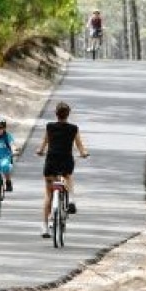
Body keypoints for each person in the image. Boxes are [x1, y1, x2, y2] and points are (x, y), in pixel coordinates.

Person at [35, 101, 89, 238]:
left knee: (48, 195)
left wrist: (40, 151)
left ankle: (45, 227)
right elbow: (80, 146)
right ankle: (71, 199)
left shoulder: (50, 127)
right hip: (65, 160)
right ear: (68, 115)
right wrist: (83, 153)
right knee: (68, 176)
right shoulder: (73, 128)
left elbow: (43, 145)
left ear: (56, 114)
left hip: (51, 162)